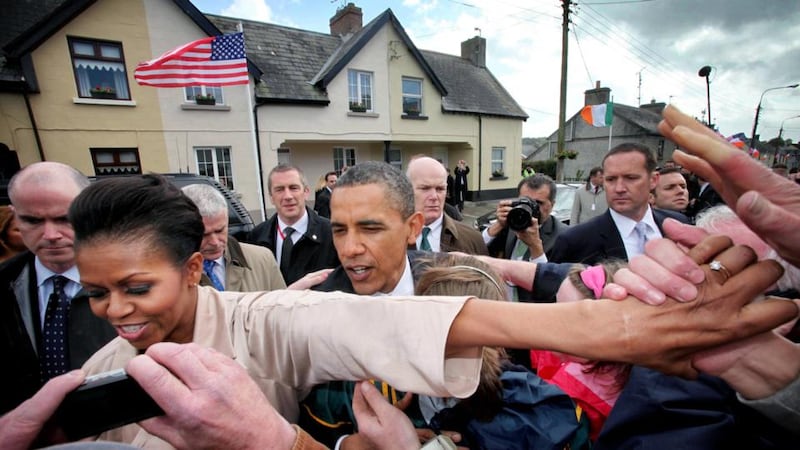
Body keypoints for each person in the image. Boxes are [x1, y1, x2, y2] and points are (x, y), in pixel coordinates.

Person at [606, 103, 800, 434]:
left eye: (740, 269)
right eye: (612, 179)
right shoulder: (579, 239)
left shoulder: (675, 223)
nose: (704, 275)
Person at [0, 162, 116, 416]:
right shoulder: (6, 282)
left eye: (64, 219)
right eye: (33, 221)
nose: (50, 234)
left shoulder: (134, 281)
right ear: (14, 215)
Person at [549, 143, 687, 265]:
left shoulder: (679, 225)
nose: (619, 188)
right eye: (611, 179)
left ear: (653, 180)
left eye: (631, 178)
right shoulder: (576, 241)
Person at [181, 183, 286, 292]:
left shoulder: (262, 260)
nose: (215, 242)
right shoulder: (171, 273)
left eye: (220, 230)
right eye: (204, 235)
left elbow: (282, 306)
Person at [246, 164, 339, 285]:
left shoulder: (332, 233)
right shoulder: (257, 237)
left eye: (293, 188)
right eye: (279, 189)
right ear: (271, 198)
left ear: (306, 192)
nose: (288, 196)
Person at [483, 174, 569, 300]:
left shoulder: (564, 236)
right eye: (525, 201)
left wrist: (535, 246)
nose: (531, 208)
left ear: (552, 205)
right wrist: (497, 226)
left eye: (538, 203)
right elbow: (477, 249)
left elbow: (555, 287)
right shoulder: (513, 223)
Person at [406, 156, 487, 255]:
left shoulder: (473, 239)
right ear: (408, 190)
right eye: (425, 188)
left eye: (440, 189)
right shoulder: (390, 236)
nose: (434, 196)